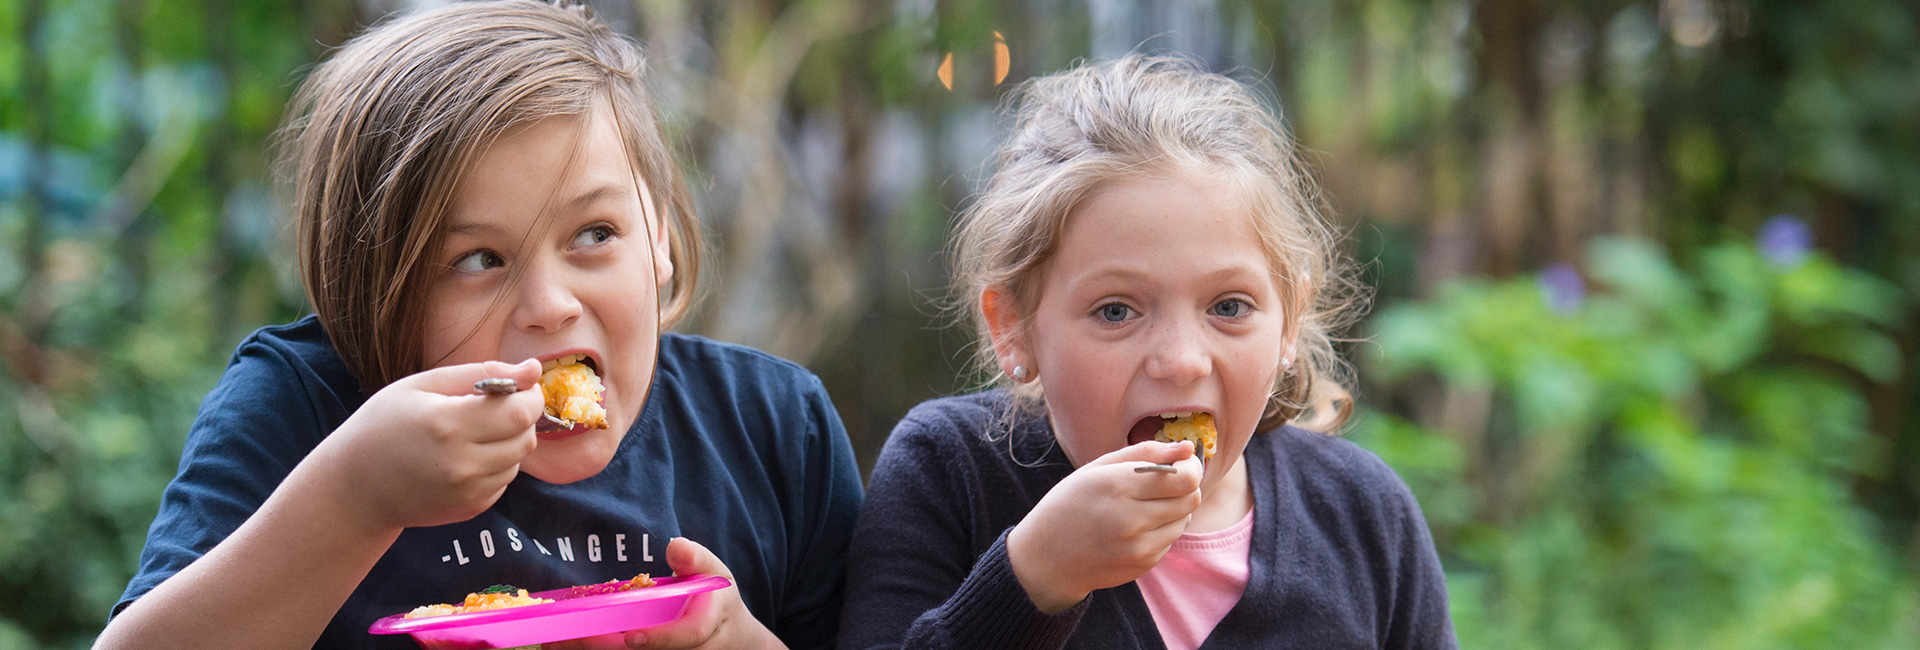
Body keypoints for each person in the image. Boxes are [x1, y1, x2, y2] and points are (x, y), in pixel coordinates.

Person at [98, 2, 861, 648]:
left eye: (595, 234)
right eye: (477, 259)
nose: (549, 304)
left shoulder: (772, 430)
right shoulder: (304, 408)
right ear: (375, 287)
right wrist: (356, 498)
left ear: (658, 236)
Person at [839, 54, 1456, 649]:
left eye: (1229, 307)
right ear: (1013, 330)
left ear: (1289, 320)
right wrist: (1033, 577)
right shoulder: (950, 472)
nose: (1183, 361)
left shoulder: (1364, 517)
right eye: (1116, 311)